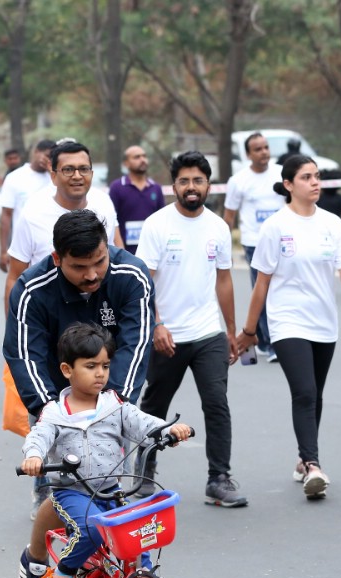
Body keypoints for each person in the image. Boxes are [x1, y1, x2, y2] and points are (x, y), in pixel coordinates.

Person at [4, 210, 154, 578]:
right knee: (66, 488)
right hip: (57, 396)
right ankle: (37, 561)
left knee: (111, 489)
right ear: (57, 259)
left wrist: (115, 402)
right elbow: (23, 353)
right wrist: (49, 410)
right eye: (79, 267)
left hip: (110, 393)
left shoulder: (131, 275)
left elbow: (136, 343)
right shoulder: (32, 288)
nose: (92, 275)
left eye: (99, 262)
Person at [21, 322, 191, 578]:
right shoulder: (55, 413)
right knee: (89, 531)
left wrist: (168, 430)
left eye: (105, 365)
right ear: (66, 370)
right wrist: (34, 456)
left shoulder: (115, 405)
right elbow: (38, 436)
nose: (100, 373)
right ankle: (61, 575)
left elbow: (142, 423)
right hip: (72, 491)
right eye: (90, 366)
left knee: (139, 540)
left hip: (111, 489)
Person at [235, 155, 341, 499]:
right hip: (287, 321)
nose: (315, 182)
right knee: (304, 392)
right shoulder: (276, 226)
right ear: (289, 185)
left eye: (317, 176)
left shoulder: (332, 224)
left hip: (323, 320)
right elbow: (261, 283)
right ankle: (313, 465)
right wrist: (250, 331)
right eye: (307, 177)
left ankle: (302, 457)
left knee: (315, 394)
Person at [133, 151, 245, 507]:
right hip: (167, 336)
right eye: (184, 180)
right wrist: (157, 324)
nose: (191, 187)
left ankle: (219, 479)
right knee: (155, 406)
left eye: (198, 180)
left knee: (217, 404)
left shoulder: (217, 227)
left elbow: (224, 281)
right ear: (174, 185)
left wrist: (231, 330)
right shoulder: (157, 225)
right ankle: (143, 473)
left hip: (208, 333)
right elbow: (143, 282)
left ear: (208, 185)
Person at [6, 141, 121, 303]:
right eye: (68, 170)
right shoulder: (32, 214)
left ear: (91, 173)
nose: (77, 176)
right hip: (48, 310)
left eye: (83, 169)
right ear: (53, 176)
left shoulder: (104, 204)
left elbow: (119, 254)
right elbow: (14, 278)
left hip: (100, 308)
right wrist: (13, 326)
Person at [223, 132, 283, 362]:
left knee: (281, 291)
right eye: (258, 149)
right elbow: (229, 217)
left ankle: (278, 337)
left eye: (266, 147)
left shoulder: (281, 174)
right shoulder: (239, 181)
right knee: (264, 291)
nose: (264, 152)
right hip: (254, 244)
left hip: (282, 242)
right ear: (248, 154)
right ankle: (270, 345)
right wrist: (223, 247)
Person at [0, 139, 55, 271]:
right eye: (46, 155)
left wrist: (52, 172)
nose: (47, 160)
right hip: (22, 247)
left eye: (52, 158)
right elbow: (6, 216)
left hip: (51, 246)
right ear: (36, 152)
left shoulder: (55, 179)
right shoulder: (15, 177)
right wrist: (2, 250)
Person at [108, 145, 163, 255]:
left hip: (151, 251)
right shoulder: (117, 187)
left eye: (144, 156)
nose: (142, 160)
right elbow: (111, 220)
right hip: (125, 253)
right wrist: (119, 251)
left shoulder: (156, 188)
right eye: (137, 157)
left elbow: (162, 221)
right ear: (126, 163)